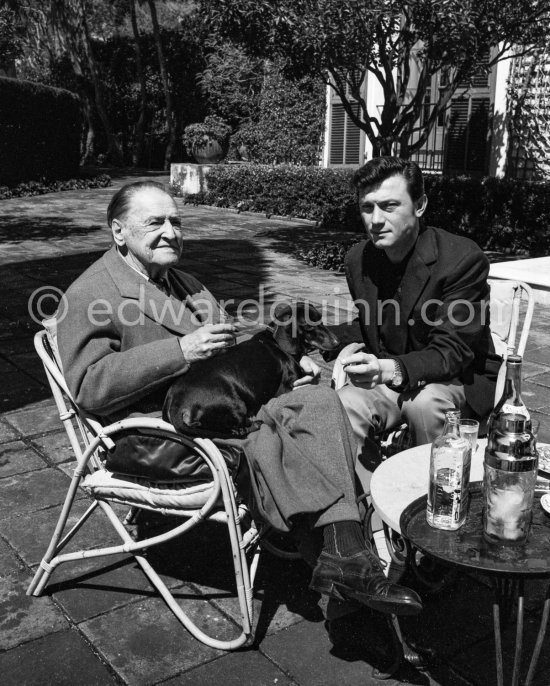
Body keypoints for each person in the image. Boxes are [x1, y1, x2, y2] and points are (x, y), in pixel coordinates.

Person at [55, 179, 422, 617]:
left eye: (175, 220)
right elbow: (88, 386)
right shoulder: (91, 292)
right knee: (275, 438)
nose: (171, 232)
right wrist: (179, 351)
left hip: (222, 403)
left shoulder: (182, 281)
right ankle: (349, 565)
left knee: (322, 401)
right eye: (154, 223)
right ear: (118, 231)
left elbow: (230, 343)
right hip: (164, 428)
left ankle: (344, 555)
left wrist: (289, 358)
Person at [337, 157, 501, 476]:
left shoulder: (461, 259)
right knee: (343, 404)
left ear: (420, 205)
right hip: (392, 375)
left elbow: (452, 351)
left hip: (457, 379)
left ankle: (434, 505)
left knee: (424, 404)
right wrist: (310, 339)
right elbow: (372, 325)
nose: (376, 219)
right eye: (367, 207)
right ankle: (368, 513)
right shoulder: (359, 260)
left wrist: (392, 368)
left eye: (389, 206)